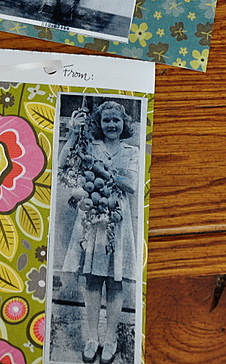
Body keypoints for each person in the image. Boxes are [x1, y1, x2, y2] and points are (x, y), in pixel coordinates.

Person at [57, 101, 138, 364]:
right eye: (106, 120)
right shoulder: (90, 147)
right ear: (99, 124)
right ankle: (92, 338)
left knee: (115, 281)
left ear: (124, 123)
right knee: (92, 280)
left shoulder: (131, 151)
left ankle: (110, 338)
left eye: (116, 120)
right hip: (92, 221)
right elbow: (63, 165)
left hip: (117, 221)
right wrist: (73, 133)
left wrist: (104, 174)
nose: (111, 125)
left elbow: (132, 185)